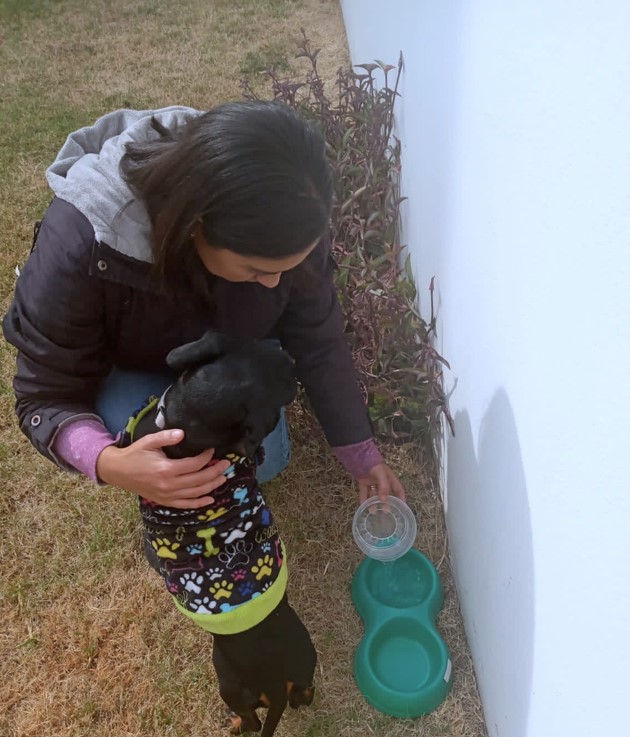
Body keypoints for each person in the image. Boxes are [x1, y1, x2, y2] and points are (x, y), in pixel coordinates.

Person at [2, 101, 405, 509]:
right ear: (197, 222)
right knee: (169, 454)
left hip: (229, 348)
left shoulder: (293, 221)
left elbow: (319, 340)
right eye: (255, 270)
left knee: (264, 461)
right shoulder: (82, 242)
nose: (275, 284)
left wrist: (361, 453)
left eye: (290, 267)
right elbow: (43, 397)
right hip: (132, 362)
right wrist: (110, 462)